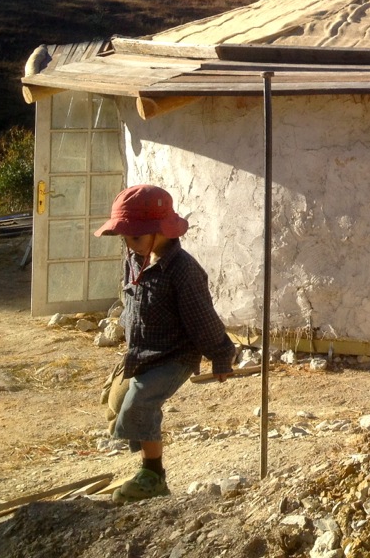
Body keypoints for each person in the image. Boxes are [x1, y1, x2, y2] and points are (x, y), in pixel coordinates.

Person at [95, 184, 236, 504]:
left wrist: (221, 356)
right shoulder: (134, 258)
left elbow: (203, 320)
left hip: (176, 355)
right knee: (117, 404)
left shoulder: (183, 271)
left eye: (134, 237)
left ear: (160, 231)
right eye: (125, 238)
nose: (128, 245)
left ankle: (153, 476)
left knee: (139, 403)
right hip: (143, 352)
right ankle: (148, 464)